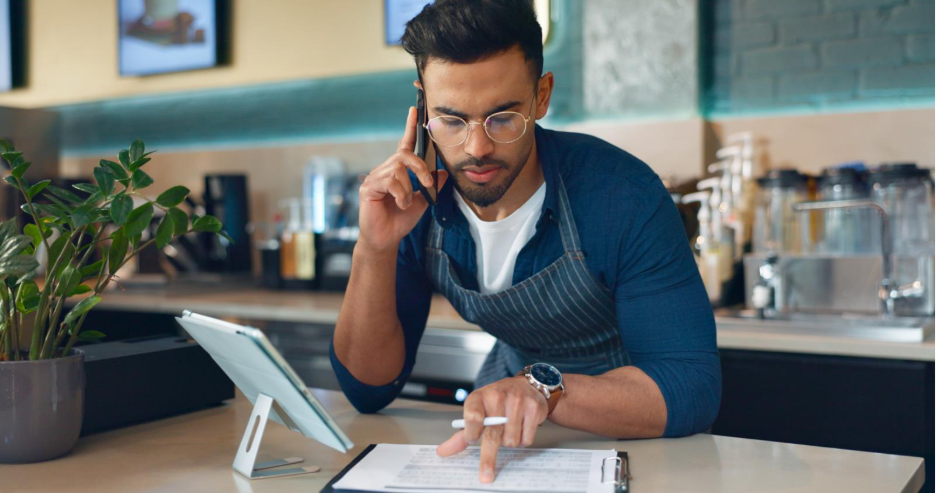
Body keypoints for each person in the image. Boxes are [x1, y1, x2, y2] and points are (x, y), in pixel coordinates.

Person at [331, 0, 721, 483]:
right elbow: (369, 390)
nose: (476, 148)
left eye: (502, 117)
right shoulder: (412, 203)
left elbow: (691, 387)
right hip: (507, 435)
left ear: (541, 95)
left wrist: (544, 389)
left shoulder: (622, 195)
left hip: (637, 434)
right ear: (423, 105)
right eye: (451, 120)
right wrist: (374, 248)